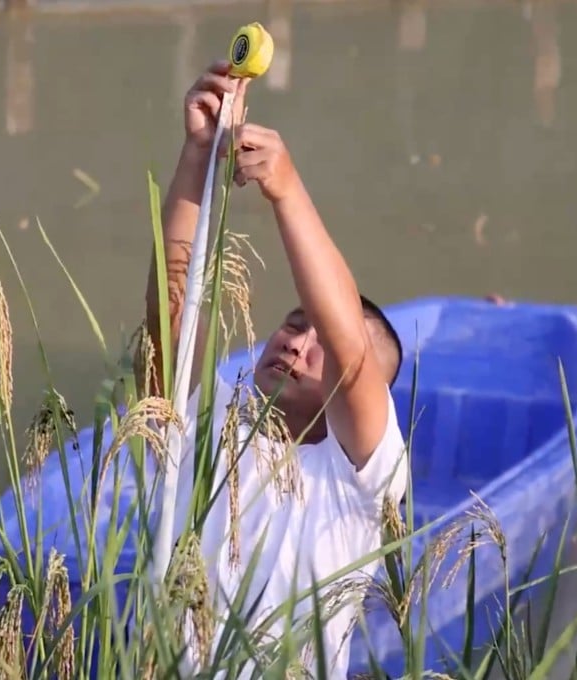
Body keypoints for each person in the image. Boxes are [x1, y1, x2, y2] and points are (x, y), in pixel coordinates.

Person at [143, 59, 410, 679]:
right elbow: (171, 319)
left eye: (318, 339)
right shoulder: (206, 437)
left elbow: (350, 351)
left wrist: (285, 187)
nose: (297, 344)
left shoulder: (363, 481)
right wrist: (198, 157)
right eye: (293, 324)